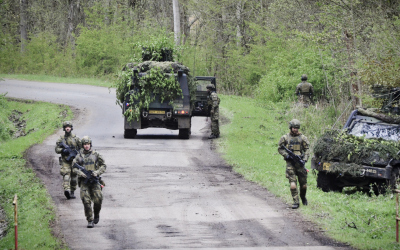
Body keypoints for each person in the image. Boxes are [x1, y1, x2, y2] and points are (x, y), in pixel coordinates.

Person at [72, 136, 106, 228]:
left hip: (95, 181)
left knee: (98, 200)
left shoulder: (96, 154)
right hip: (84, 182)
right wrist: (80, 173)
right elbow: (74, 167)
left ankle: (96, 214)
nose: (86, 146)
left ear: (90, 144)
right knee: (86, 201)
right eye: (85, 144)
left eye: (88, 144)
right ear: (82, 145)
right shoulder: (79, 156)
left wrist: (97, 172)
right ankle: (90, 220)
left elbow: (103, 165)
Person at [278, 119, 310, 209]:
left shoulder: (302, 138)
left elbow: (307, 149)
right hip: (290, 164)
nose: (295, 129)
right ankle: (296, 201)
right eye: (293, 128)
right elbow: (280, 148)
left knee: (303, 185)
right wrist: (286, 155)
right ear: (290, 127)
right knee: (293, 185)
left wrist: (304, 159)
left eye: (296, 128)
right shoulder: (285, 137)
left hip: (300, 163)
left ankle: (303, 197)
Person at [55, 121, 81, 199]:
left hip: (74, 161)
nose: (67, 128)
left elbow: (81, 148)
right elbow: (56, 149)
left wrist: (79, 156)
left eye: (69, 127)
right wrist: (63, 150)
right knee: (66, 175)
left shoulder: (76, 138)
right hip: (65, 161)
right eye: (66, 127)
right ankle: (67, 190)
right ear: (64, 128)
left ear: (71, 128)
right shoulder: (61, 139)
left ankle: (72, 192)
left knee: (74, 178)